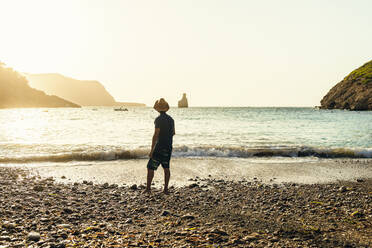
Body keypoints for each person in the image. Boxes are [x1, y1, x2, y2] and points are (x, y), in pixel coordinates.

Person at [145, 98, 175, 194]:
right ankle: (166, 189)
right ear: (166, 108)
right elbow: (173, 133)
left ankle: (148, 189)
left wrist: (151, 149)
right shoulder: (171, 119)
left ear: (158, 109)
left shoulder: (158, 119)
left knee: (150, 167)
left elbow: (156, 134)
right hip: (168, 146)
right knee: (166, 168)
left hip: (159, 146)